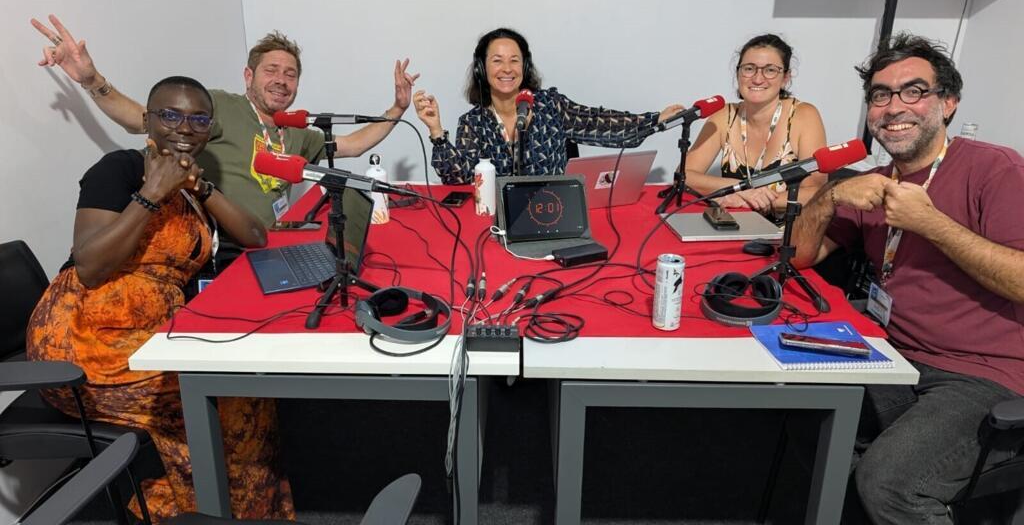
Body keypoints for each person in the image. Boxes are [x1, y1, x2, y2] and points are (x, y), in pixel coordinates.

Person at [26, 76, 294, 522]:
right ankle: (205, 510)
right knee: (224, 399)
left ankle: (231, 509)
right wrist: (150, 193)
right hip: (83, 344)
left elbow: (255, 235)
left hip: (151, 337)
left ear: (209, 128)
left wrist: (201, 188)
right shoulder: (120, 169)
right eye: (170, 115)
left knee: (242, 390)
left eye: (198, 118)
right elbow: (91, 265)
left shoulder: (192, 188)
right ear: (148, 121)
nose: (183, 127)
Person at [791, 33, 1024, 524]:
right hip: (893, 357)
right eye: (880, 94)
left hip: (984, 373)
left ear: (948, 103)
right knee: (799, 412)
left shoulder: (994, 168)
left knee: (889, 484)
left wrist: (931, 222)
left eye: (913, 91)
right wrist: (829, 197)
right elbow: (798, 255)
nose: (894, 106)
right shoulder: (876, 183)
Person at [32, 14, 418, 261]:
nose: (281, 81)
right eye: (271, 70)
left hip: (272, 240)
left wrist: (397, 110)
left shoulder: (296, 128)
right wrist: (92, 80)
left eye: (290, 74)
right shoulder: (219, 106)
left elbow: (351, 145)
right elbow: (142, 120)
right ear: (249, 76)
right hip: (228, 247)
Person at [412, 27, 684, 184]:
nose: (507, 69)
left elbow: (599, 123)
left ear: (525, 66)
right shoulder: (473, 123)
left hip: (553, 213)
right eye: (497, 60)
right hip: (498, 224)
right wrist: (436, 131)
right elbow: (457, 178)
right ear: (483, 69)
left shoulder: (550, 106)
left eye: (514, 60)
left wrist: (654, 119)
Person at [685, 34, 827, 215]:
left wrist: (751, 201)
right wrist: (741, 189)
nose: (758, 79)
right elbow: (684, 176)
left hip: (786, 234)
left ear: (786, 77)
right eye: (749, 69)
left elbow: (815, 191)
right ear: (738, 74)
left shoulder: (804, 115)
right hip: (732, 226)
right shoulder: (723, 116)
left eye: (770, 70)